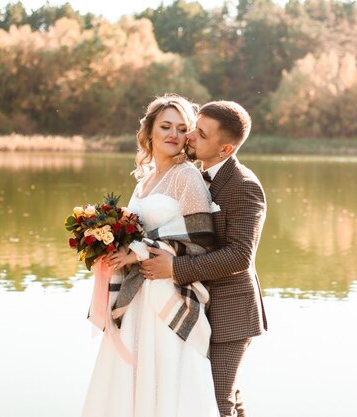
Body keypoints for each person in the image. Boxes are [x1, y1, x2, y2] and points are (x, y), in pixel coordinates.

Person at [80, 94, 220, 417]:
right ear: (150, 133)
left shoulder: (187, 177)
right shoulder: (144, 181)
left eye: (182, 128)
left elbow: (200, 241)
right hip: (139, 295)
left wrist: (138, 253)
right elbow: (137, 229)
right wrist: (109, 246)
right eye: (165, 126)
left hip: (167, 295)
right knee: (131, 377)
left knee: (166, 377)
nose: (173, 134)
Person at [140, 100, 268, 417]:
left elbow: (240, 256)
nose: (190, 137)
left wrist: (175, 268)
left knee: (218, 399)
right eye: (195, 128)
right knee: (227, 397)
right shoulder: (196, 176)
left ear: (225, 149)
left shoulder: (244, 186)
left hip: (230, 311)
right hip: (196, 304)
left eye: (201, 133)